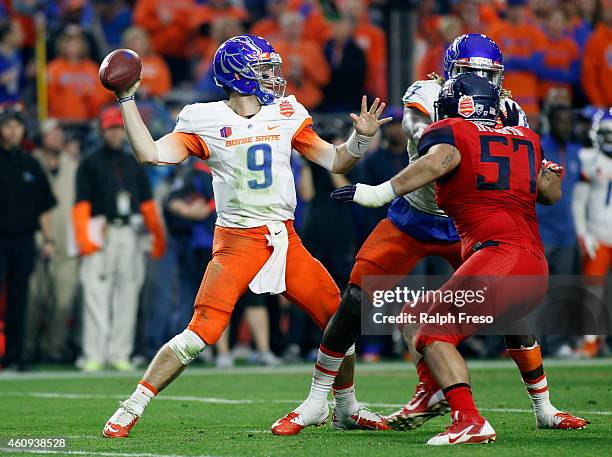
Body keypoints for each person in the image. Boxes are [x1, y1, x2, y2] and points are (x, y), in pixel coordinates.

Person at [273, 33, 588, 436]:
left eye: (486, 74)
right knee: (355, 298)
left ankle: (544, 406)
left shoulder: (510, 109)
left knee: (510, 310)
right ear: (450, 71)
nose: (479, 80)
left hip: (470, 224)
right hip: (417, 214)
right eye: (470, 72)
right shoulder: (428, 93)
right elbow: (430, 147)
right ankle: (321, 398)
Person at [102, 34, 391, 438]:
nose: (273, 76)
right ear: (238, 77)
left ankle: (346, 406)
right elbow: (151, 153)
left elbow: (335, 158)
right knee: (199, 334)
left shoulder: (287, 112)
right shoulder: (202, 118)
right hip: (237, 241)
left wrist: (360, 138)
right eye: (262, 69)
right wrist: (126, 100)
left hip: (285, 237)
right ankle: (132, 405)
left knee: (339, 318)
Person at [331, 74, 572, 444]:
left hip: (500, 256)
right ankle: (437, 393)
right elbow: (549, 193)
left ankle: (469, 419)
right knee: (413, 314)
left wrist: (378, 193)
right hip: (526, 261)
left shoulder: (455, 134)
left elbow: (439, 160)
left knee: (434, 330)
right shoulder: (527, 138)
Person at [73, 107, 166, 372]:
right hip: (100, 230)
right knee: (95, 294)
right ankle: (94, 354)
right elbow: (80, 203)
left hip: (130, 233)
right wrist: (83, 237)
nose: (115, 133)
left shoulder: (132, 162)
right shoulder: (89, 162)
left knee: (128, 294)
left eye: (118, 128)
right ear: (102, 131)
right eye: (110, 128)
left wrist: (156, 234)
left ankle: (119, 353)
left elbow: (147, 204)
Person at [0, 105, 56, 371]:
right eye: (8, 125)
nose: (12, 130)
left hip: (24, 240)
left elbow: (43, 206)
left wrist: (48, 240)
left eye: (17, 126)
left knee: (20, 300)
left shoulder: (31, 163)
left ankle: (15, 356)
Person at [29, 119, 79, 362]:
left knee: (64, 300)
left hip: (68, 241)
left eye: (61, 132)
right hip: (37, 237)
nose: (58, 137)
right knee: (32, 298)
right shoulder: (31, 162)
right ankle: (27, 348)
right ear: (42, 137)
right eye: (53, 133)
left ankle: (54, 349)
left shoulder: (74, 165)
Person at [572, 108, 612, 357]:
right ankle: (590, 342)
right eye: (606, 133)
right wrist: (583, 233)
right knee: (593, 293)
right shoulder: (589, 158)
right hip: (598, 235)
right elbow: (579, 202)